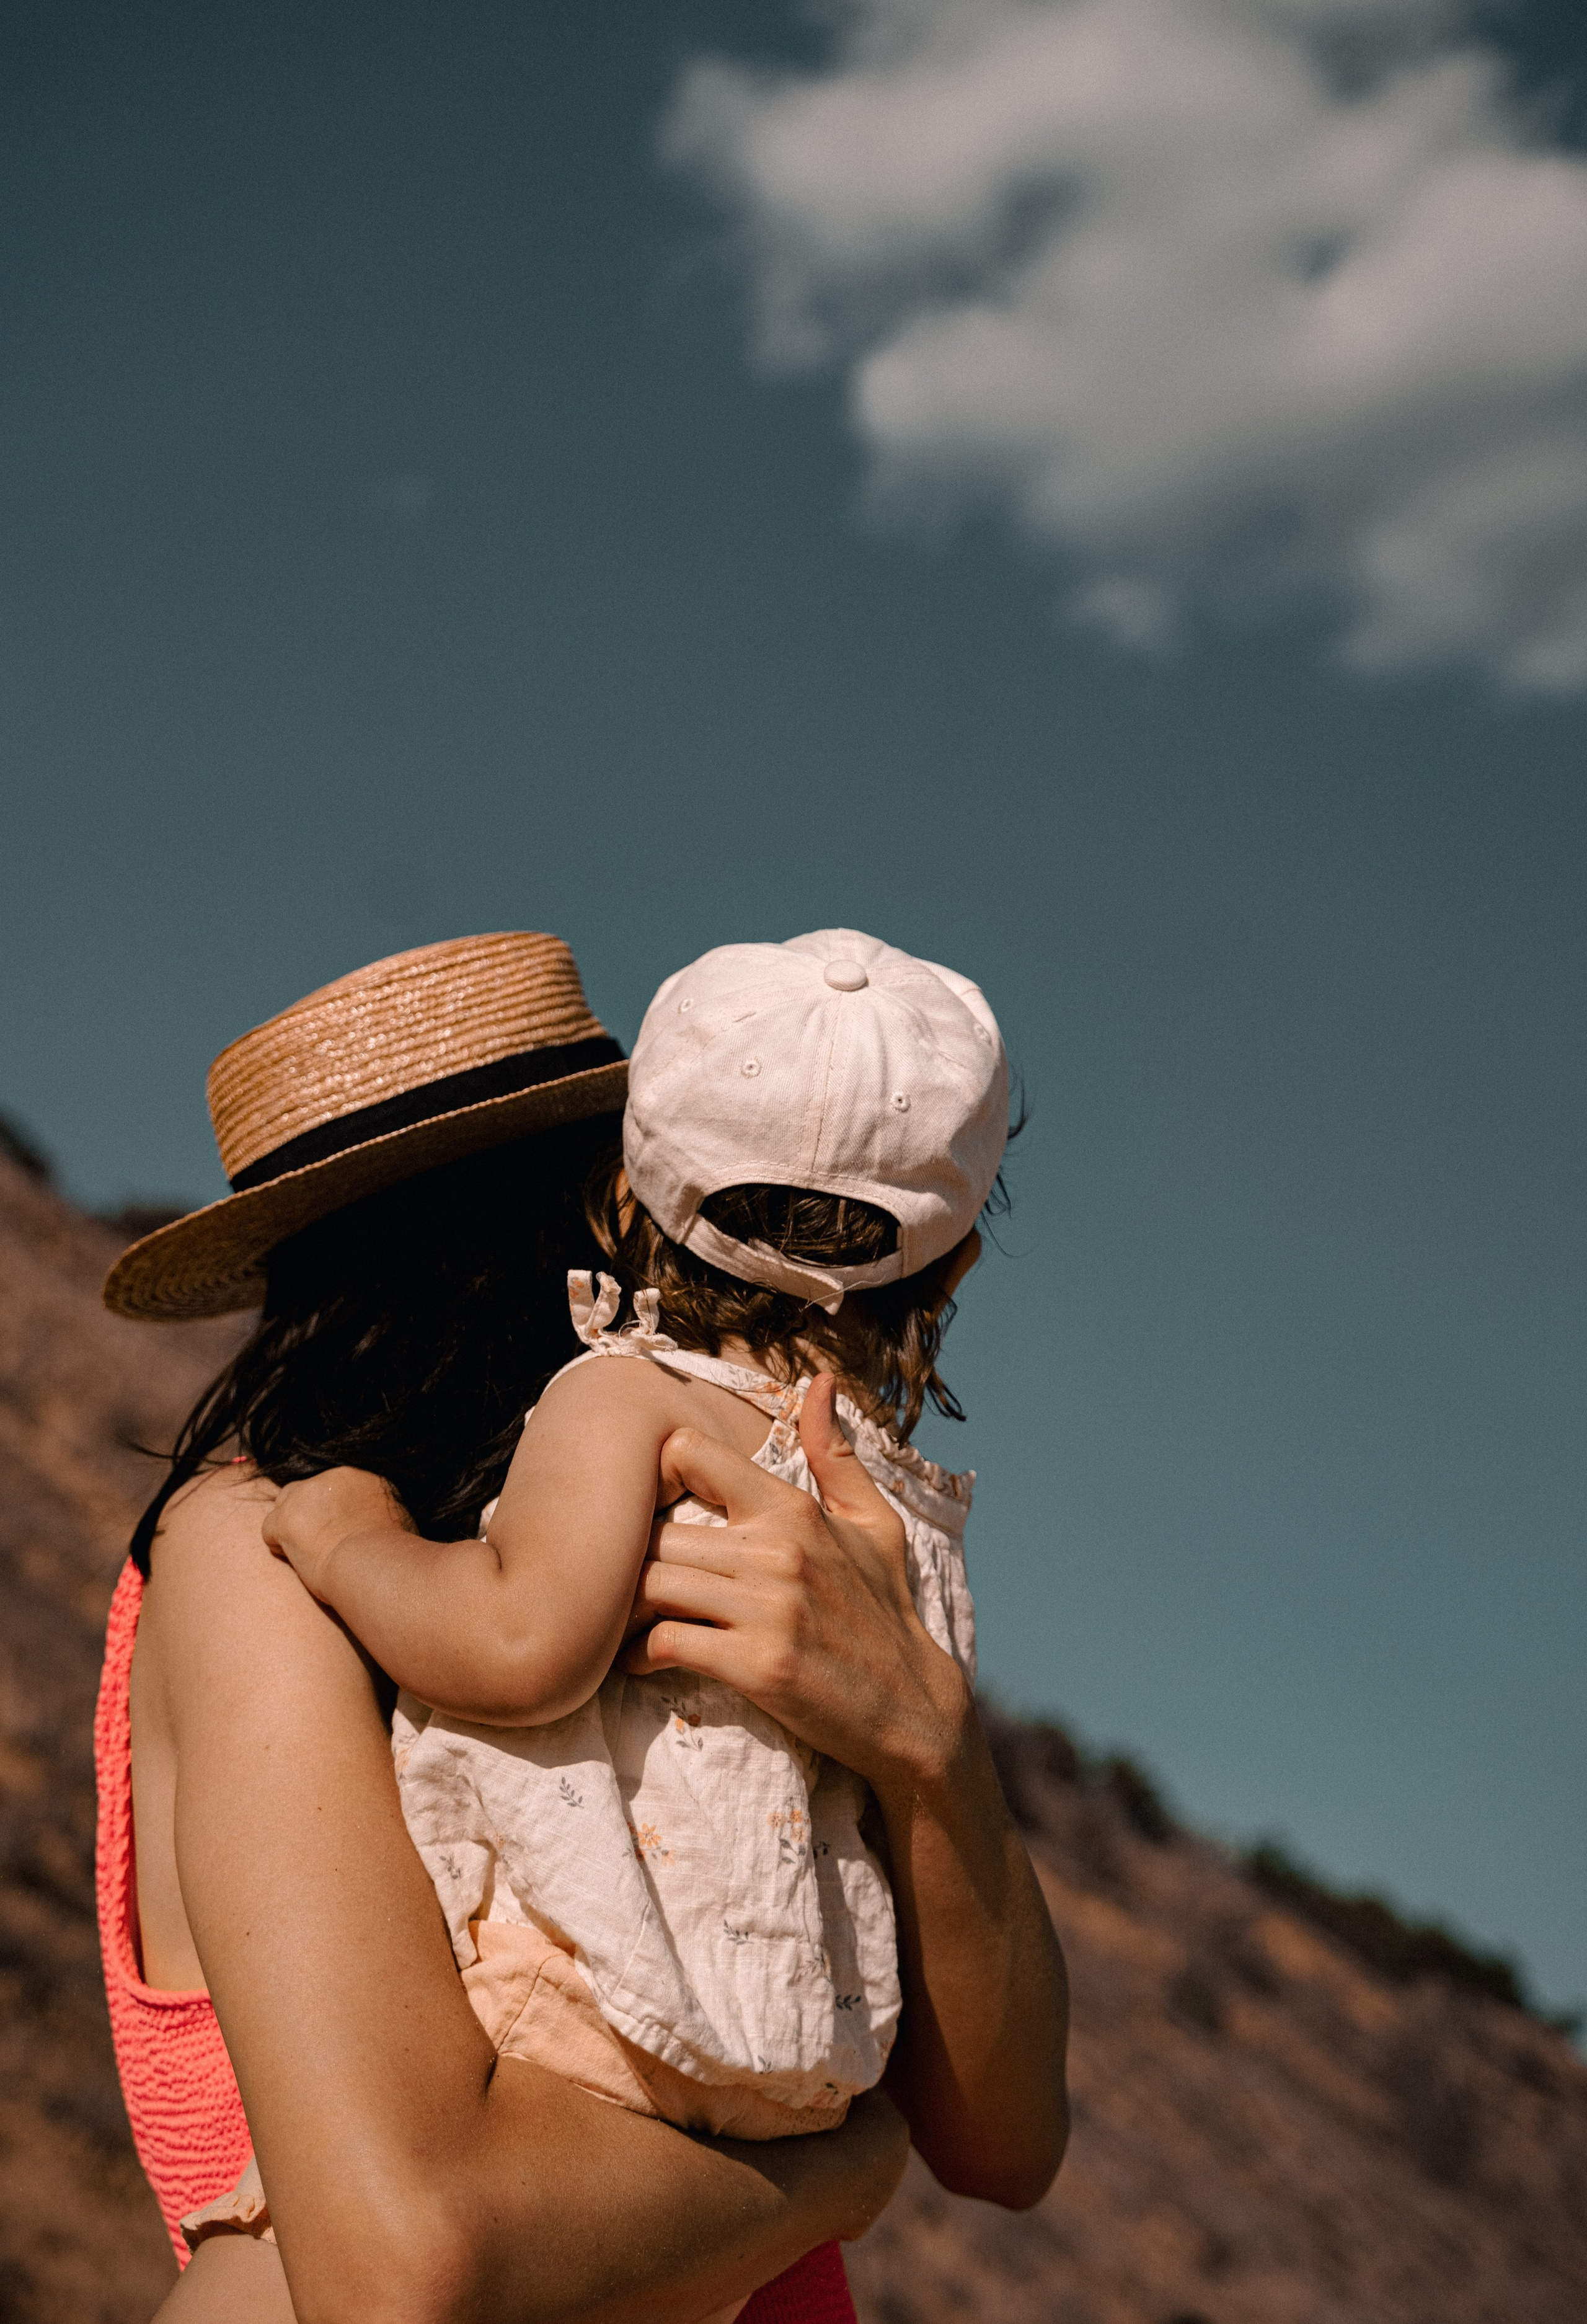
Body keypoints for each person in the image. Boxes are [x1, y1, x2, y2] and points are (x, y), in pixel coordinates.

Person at [99, 932, 1068, 2324]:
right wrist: (834, 2167)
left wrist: (925, 1744)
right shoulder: (261, 1548)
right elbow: (415, 2262)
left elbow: (1009, 2142)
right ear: (616, 1197)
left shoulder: (736, 1531)